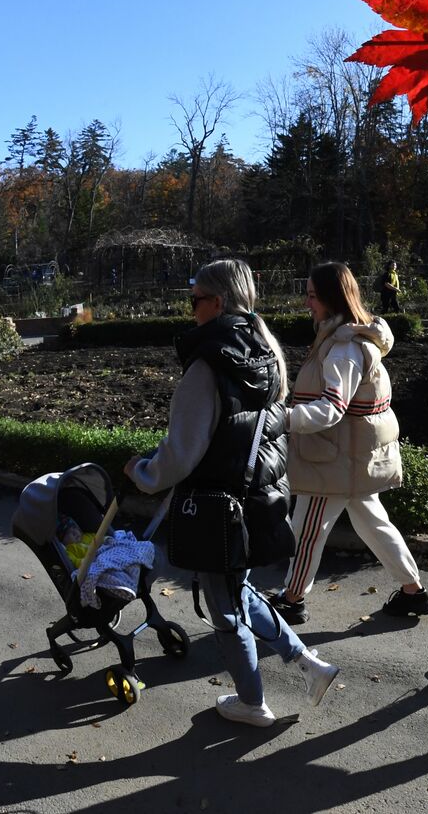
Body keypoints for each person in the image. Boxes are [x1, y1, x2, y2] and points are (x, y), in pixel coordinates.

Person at [124, 258, 339, 727]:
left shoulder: (207, 366)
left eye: (195, 299)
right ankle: (308, 662)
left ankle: (252, 702)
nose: (191, 309)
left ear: (217, 302)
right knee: (239, 592)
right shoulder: (268, 350)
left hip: (215, 508)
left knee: (225, 612)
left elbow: (181, 455)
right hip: (257, 497)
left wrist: (142, 472)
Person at [268, 262, 428, 625]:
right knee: (373, 523)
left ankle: (293, 599)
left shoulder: (343, 348)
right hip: (348, 457)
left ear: (330, 298)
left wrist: (282, 418)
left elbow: (332, 408)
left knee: (307, 529)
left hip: (332, 458)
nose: (307, 303)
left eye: (312, 295)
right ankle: (413, 591)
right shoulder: (345, 337)